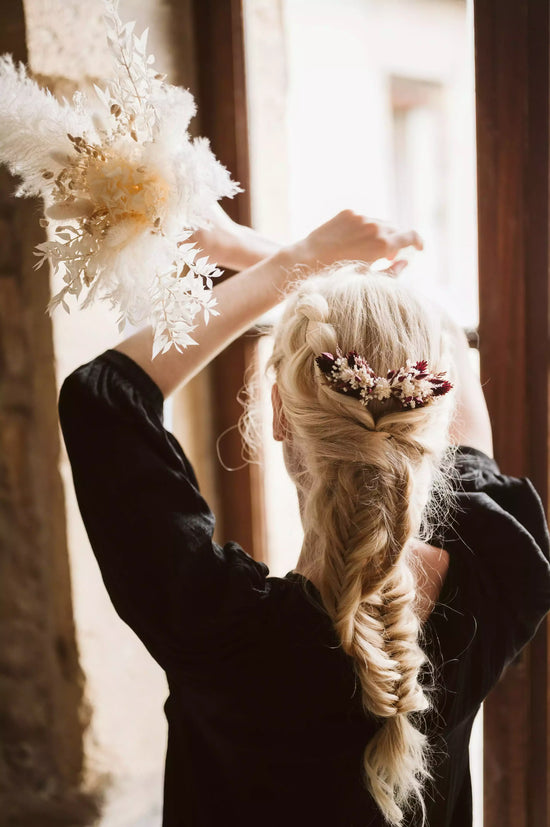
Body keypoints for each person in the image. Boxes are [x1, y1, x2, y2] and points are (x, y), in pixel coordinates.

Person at [58, 209, 550, 827]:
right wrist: (298, 260)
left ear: (278, 414)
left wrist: (293, 261)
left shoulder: (210, 625)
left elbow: (104, 396)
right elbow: (445, 343)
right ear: (428, 420)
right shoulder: (499, 580)